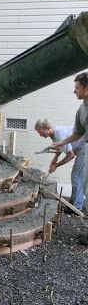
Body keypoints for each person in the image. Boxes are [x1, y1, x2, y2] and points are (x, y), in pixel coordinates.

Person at [52, 72, 88, 245]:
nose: (75, 91)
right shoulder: (82, 108)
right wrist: (61, 142)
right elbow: (78, 132)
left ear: (87, 88)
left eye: (77, 88)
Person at [35, 118, 86, 211]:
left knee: (76, 175)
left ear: (48, 129)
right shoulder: (54, 134)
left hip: (84, 146)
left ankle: (76, 207)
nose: (40, 135)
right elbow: (60, 149)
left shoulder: (58, 134)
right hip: (80, 146)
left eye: (40, 132)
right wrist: (54, 161)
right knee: (77, 176)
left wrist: (56, 165)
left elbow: (70, 155)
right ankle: (75, 204)